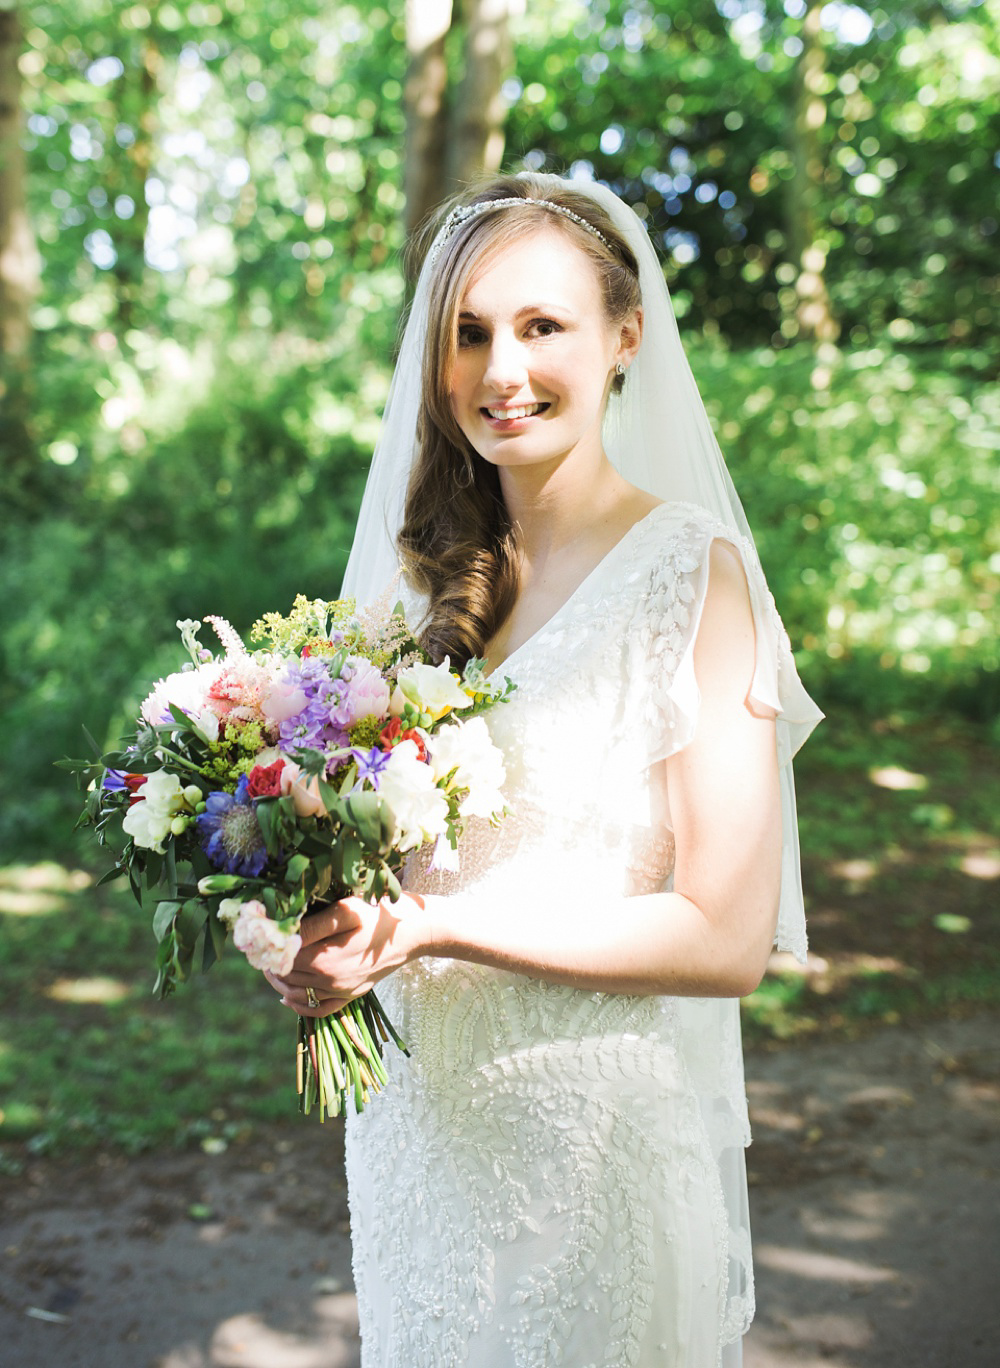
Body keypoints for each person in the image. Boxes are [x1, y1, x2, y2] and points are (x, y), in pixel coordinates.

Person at [266, 173, 823, 1367]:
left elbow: (725, 941)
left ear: (625, 336)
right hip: (421, 1145)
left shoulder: (695, 575)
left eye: (540, 326)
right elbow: (386, 864)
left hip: (592, 1155)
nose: (498, 370)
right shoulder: (423, 588)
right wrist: (319, 934)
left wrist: (435, 930)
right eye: (467, 332)